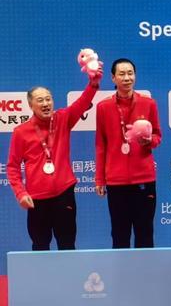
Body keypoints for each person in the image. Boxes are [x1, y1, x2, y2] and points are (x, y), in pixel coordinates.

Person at [6, 67, 103, 250]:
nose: (45, 103)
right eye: (40, 100)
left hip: (63, 195)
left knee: (67, 245)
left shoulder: (63, 118)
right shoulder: (21, 132)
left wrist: (93, 83)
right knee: (40, 247)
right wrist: (20, 193)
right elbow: (12, 167)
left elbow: (82, 102)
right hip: (36, 199)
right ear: (31, 106)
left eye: (48, 99)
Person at [95, 58, 162, 249]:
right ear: (113, 78)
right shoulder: (103, 107)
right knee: (119, 234)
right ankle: (122, 269)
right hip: (116, 182)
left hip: (144, 179)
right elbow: (101, 144)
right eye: (122, 74)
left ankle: (145, 269)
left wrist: (149, 141)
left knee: (145, 233)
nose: (127, 78)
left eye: (130, 73)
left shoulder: (148, 103)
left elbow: (158, 136)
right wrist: (100, 178)